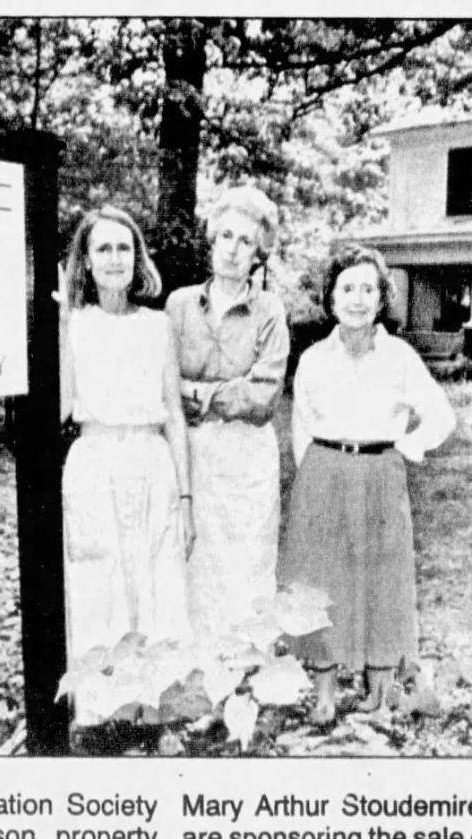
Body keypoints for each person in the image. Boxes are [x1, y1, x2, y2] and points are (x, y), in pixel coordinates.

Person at [285, 244, 456, 724]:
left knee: (381, 579)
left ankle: (377, 693)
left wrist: (408, 446)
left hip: (381, 473)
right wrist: (318, 474)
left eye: (367, 289)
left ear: (382, 299)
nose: (356, 299)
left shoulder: (400, 357)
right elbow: (301, 423)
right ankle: (323, 691)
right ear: (331, 297)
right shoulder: (315, 359)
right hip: (324, 472)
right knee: (321, 580)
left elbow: (442, 416)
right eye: (347, 288)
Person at [58, 207, 194, 723]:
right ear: (85, 263)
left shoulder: (156, 325)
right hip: (95, 462)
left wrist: (185, 499)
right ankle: (103, 711)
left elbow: (175, 417)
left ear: (137, 259)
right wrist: (62, 328)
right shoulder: (74, 326)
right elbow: (61, 408)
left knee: (154, 581)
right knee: (101, 582)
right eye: (102, 249)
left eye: (123, 248)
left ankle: (150, 709)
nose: (114, 259)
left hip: (151, 460)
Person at [165, 186, 290, 639]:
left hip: (247, 454)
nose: (233, 250)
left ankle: (244, 680)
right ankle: (200, 678)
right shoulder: (179, 305)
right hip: (193, 452)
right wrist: (213, 392)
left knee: (248, 563)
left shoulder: (270, 310)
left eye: (246, 242)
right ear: (212, 239)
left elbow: (262, 396)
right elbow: (163, 385)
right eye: (226, 237)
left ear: (259, 253)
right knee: (196, 563)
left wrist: (197, 393)